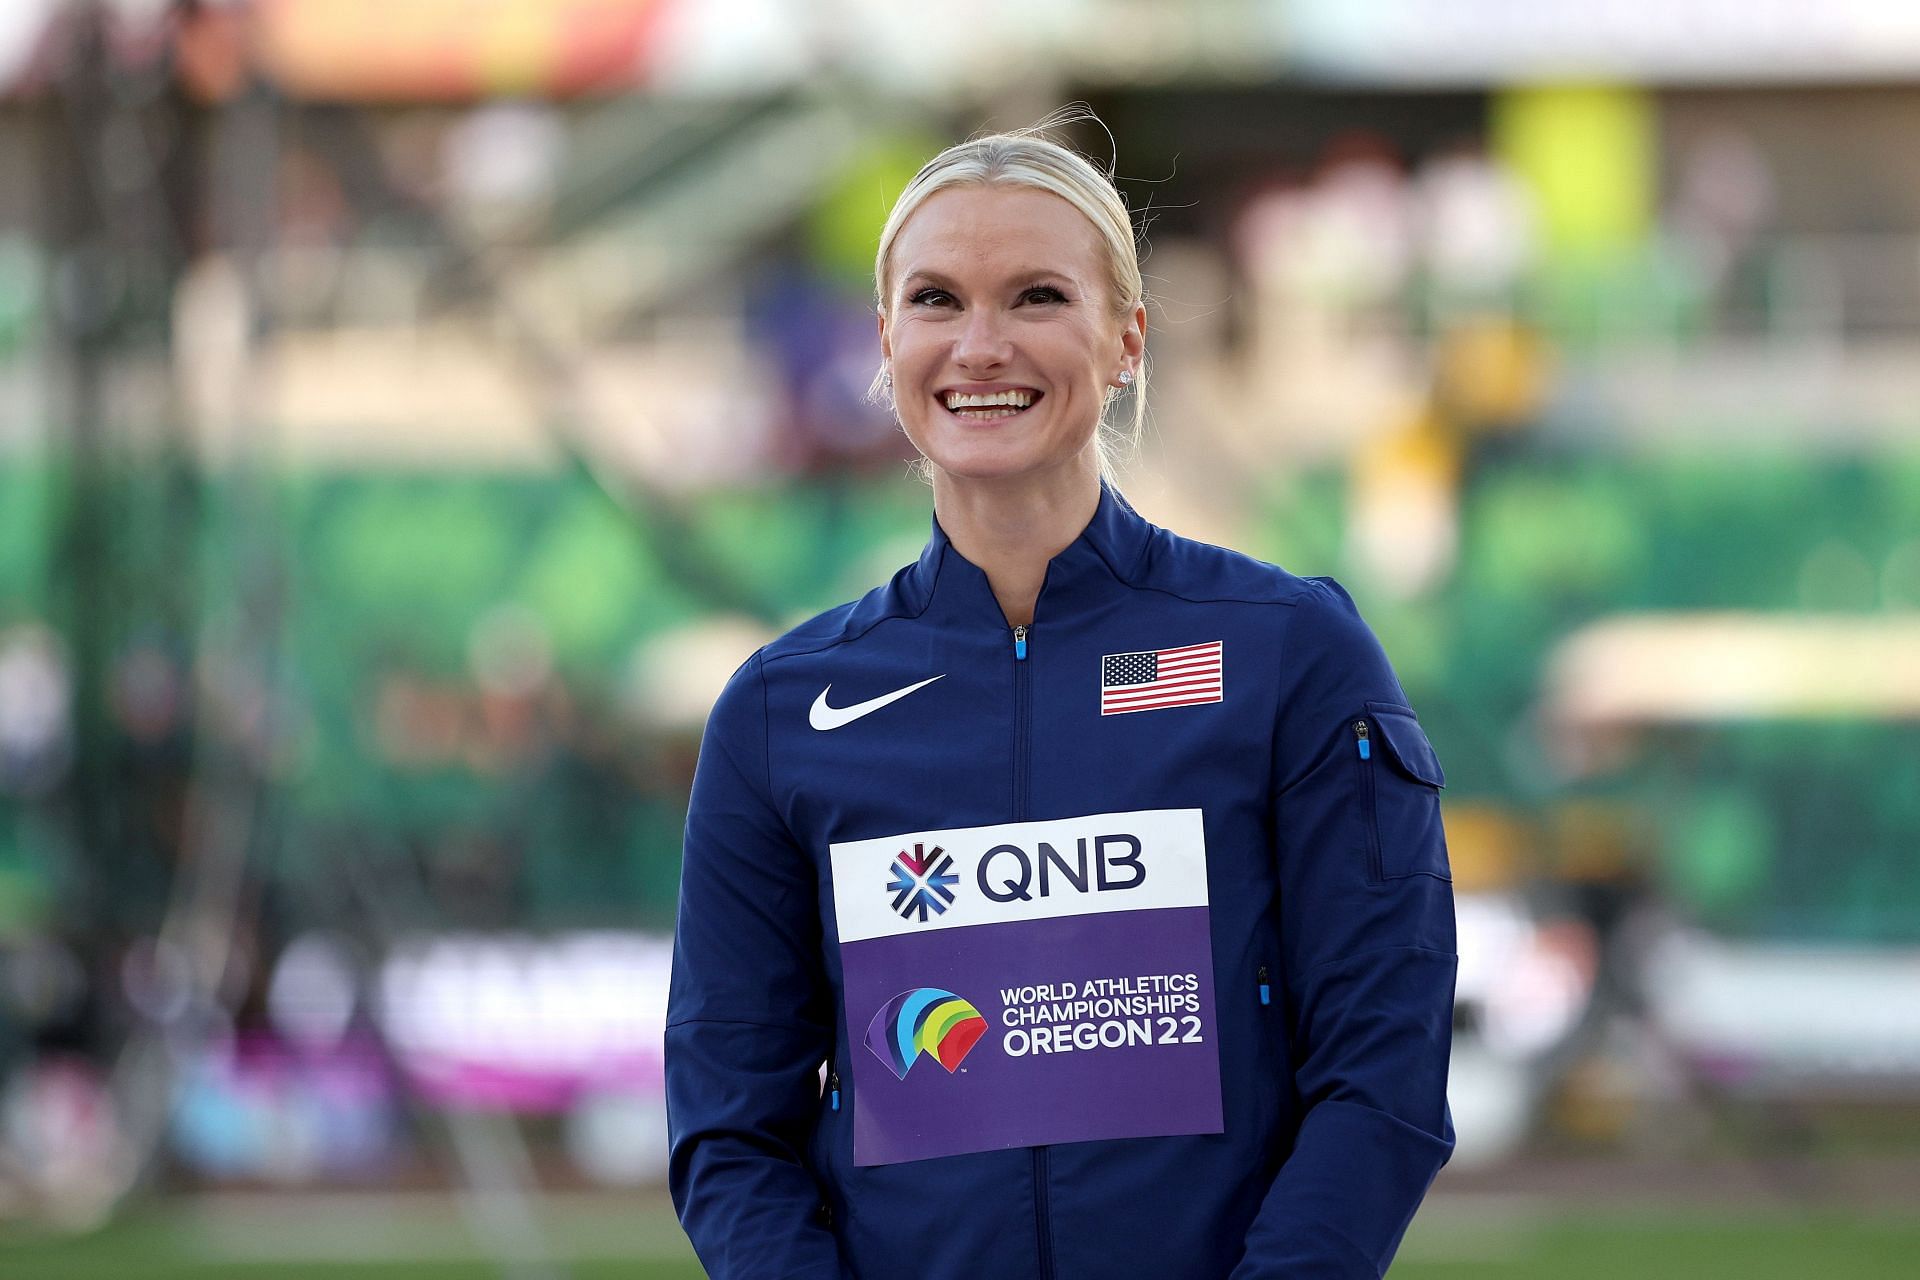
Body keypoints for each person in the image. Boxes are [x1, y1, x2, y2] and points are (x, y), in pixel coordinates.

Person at [666, 109, 1456, 1279]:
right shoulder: (783, 711)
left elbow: (1381, 1078)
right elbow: (730, 1130)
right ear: (885, 344)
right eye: (936, 300)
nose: (981, 346)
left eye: (1036, 296)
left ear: (1127, 336)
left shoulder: (1291, 653)